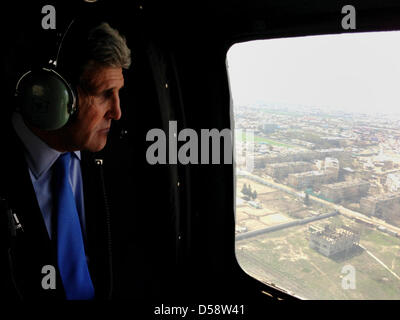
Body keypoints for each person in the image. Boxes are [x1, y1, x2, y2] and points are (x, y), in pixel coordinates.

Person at [0, 20, 131, 300]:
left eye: (118, 93)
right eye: (104, 94)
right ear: (52, 96)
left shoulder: (112, 159)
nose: (117, 112)